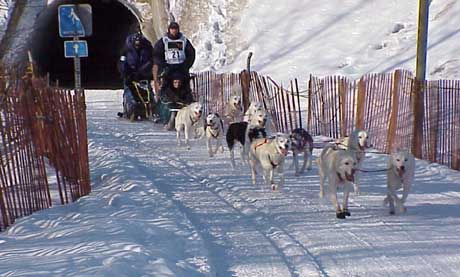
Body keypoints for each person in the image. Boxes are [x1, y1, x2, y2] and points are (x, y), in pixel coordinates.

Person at [118, 31, 155, 121]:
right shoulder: (126, 50)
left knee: (147, 92)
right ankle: (130, 109)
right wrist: (125, 73)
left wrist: (145, 72)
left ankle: (152, 109)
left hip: (143, 75)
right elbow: (122, 62)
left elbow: (151, 61)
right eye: (136, 44)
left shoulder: (147, 49)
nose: (137, 46)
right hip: (130, 75)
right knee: (129, 91)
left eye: (139, 44)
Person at [152, 21, 196, 97]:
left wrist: (186, 64)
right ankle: (166, 101)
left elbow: (191, 53)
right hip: (168, 67)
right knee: (167, 85)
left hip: (181, 66)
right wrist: (163, 65)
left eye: (175, 29)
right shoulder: (164, 41)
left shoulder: (184, 40)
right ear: (169, 30)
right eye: (172, 29)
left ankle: (186, 100)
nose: (174, 31)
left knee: (184, 85)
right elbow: (157, 54)